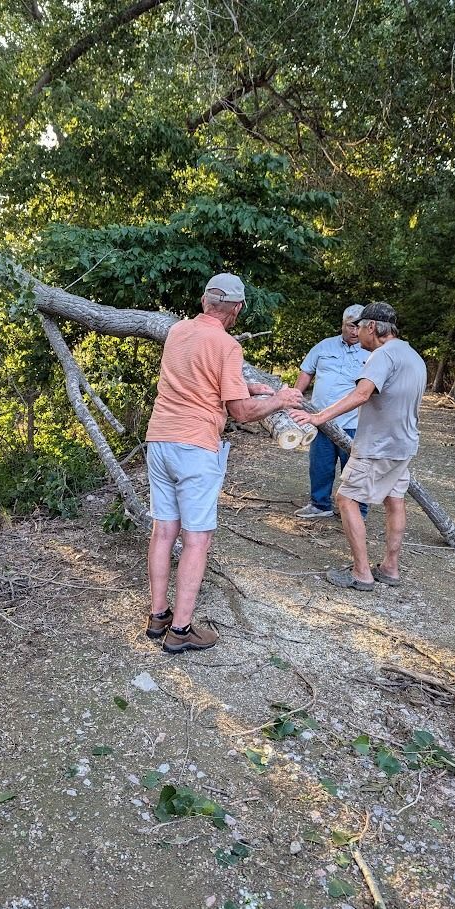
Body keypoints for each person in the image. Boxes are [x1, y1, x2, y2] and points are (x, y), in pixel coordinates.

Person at [145, 273, 303, 652]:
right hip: (195, 447)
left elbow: (198, 378)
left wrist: (251, 386)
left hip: (160, 439)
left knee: (164, 531)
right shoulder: (227, 345)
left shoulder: (179, 333)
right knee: (197, 539)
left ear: (204, 302)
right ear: (237, 308)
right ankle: (180, 633)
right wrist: (280, 400)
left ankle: (158, 616)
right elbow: (242, 413)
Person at [290, 302, 427, 591]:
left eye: (360, 326)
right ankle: (390, 567)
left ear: (373, 327)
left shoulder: (382, 355)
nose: (357, 332)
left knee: (346, 499)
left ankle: (361, 573)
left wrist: (319, 417)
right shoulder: (412, 355)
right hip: (403, 445)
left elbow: (362, 393)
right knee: (395, 500)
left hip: (378, 446)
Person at [293, 305, 368, 520]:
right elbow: (306, 373)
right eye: (351, 326)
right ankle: (319, 504)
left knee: (354, 469)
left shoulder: (371, 353)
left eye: (359, 327)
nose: (355, 332)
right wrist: (293, 399)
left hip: (354, 422)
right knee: (320, 465)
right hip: (321, 420)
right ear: (342, 324)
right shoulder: (324, 347)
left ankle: (357, 510)